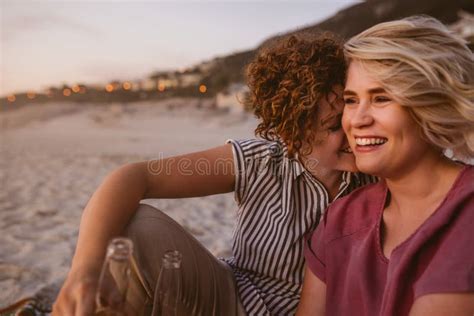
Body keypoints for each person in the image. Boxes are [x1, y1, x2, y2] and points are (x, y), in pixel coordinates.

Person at [53, 33, 374, 316]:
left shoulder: (376, 174)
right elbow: (135, 177)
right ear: (292, 133)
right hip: (229, 299)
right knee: (137, 225)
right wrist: (85, 269)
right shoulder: (260, 159)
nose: (353, 130)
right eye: (335, 126)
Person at [297, 16, 474, 316]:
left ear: (430, 104)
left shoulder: (466, 215)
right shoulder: (340, 219)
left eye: (381, 98)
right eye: (351, 101)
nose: (358, 120)